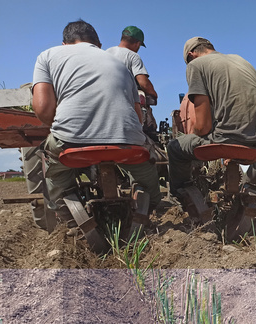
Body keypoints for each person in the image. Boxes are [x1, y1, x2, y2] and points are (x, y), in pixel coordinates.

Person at [31, 20, 162, 229]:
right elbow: (138, 118)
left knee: (56, 176)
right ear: (98, 45)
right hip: (128, 144)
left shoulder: (47, 56)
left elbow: (43, 109)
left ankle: (71, 224)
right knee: (149, 180)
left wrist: (68, 126)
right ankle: (148, 210)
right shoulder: (121, 63)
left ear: (64, 44)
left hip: (69, 143)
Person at [167, 36, 256, 204]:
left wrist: (193, 136)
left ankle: (184, 198)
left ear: (191, 55)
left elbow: (203, 126)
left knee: (175, 148)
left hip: (228, 140)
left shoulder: (195, 66)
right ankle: (250, 188)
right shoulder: (240, 60)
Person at [106, 26, 159, 139]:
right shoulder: (132, 56)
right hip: (124, 107)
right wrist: (153, 93)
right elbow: (143, 82)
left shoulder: (106, 52)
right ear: (137, 43)